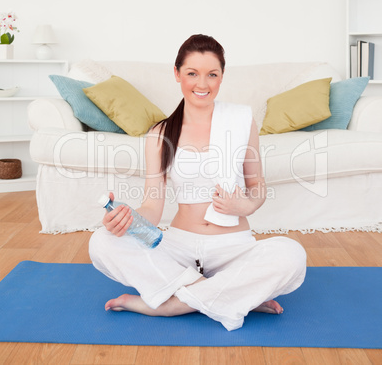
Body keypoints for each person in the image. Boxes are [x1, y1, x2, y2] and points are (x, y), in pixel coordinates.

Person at [89, 34, 307, 331]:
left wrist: (241, 204)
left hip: (233, 247)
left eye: (211, 75)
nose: (202, 84)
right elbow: (153, 205)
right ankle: (229, 294)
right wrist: (128, 219)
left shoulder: (242, 120)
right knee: (101, 241)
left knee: (291, 255)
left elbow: (257, 188)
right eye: (192, 73)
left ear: (221, 76)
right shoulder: (160, 133)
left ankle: (170, 306)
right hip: (177, 247)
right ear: (177, 73)